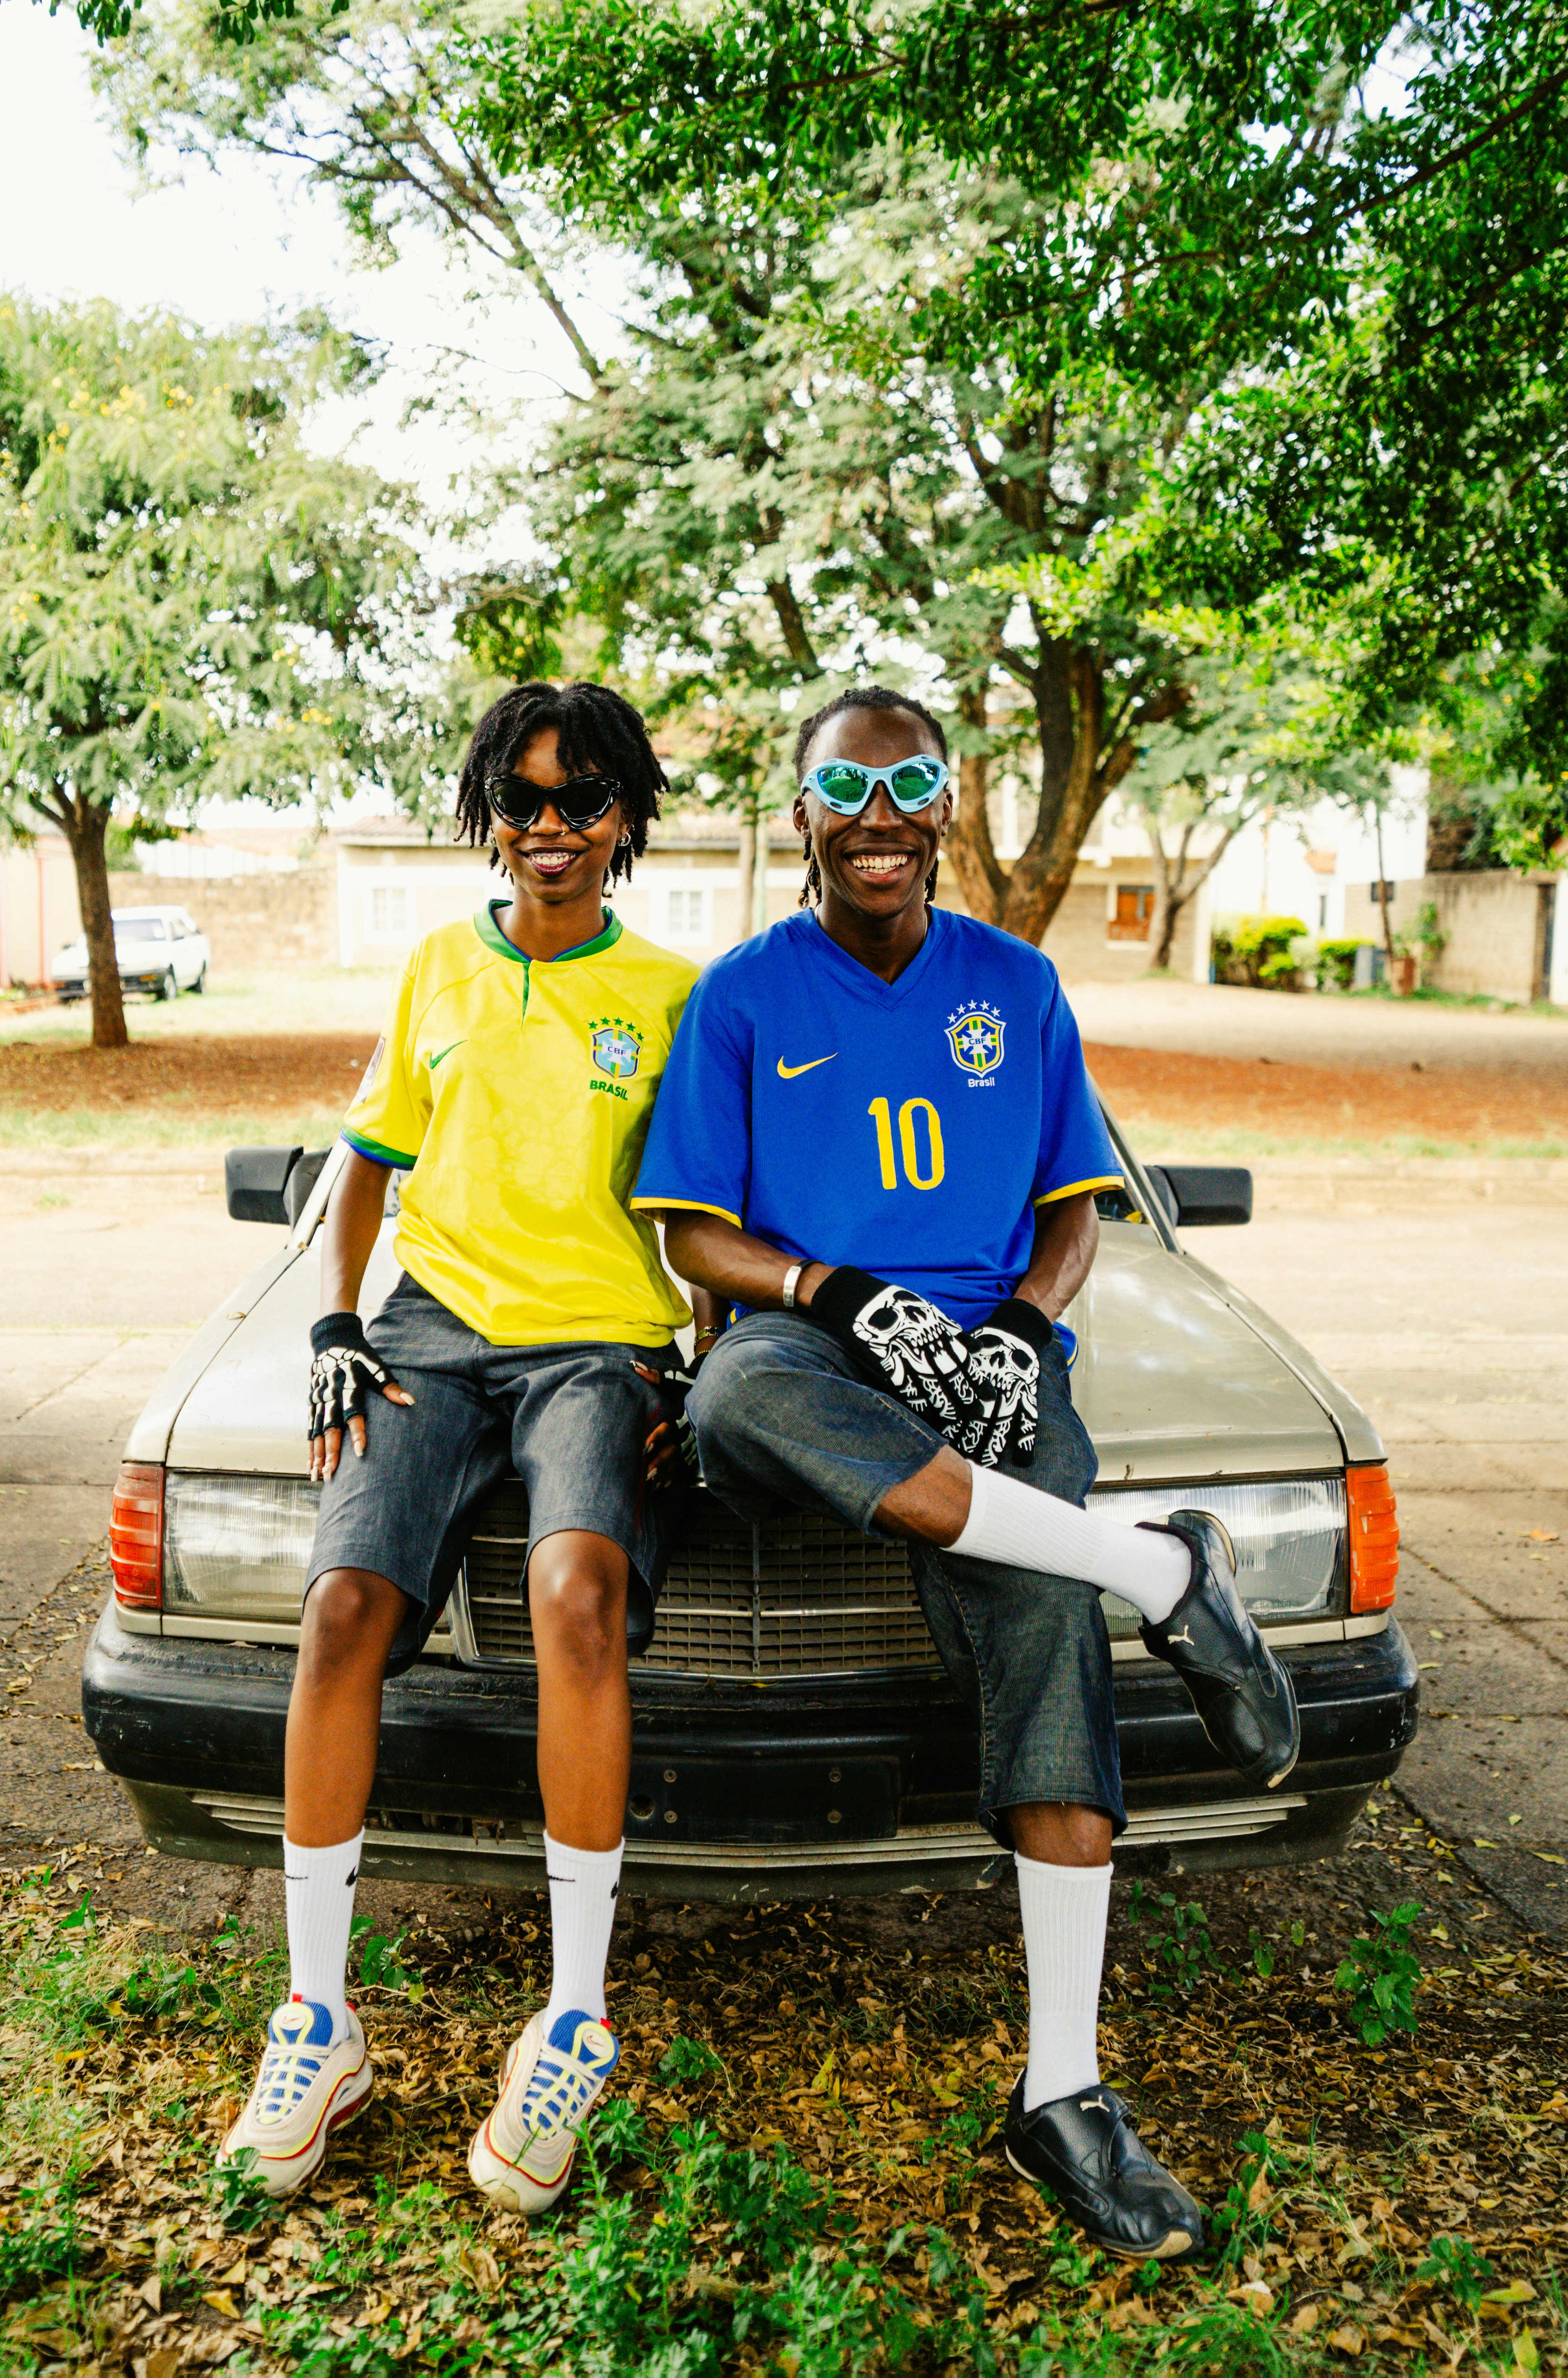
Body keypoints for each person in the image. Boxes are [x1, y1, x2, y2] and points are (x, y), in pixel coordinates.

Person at [632, 686, 1299, 2262]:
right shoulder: (740, 995)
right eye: (844, 787)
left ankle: (1060, 2091)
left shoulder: (1018, 983)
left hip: (989, 1350)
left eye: (909, 781)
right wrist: (832, 1290)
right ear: (799, 810)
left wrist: (1017, 1327)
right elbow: (692, 1235)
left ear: (946, 803)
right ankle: (1159, 1569)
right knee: (733, 1397)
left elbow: (1076, 1205)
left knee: (1040, 1620)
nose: (878, 815)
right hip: (813, 1345)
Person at [218, 681, 709, 2215]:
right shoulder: (438, 963)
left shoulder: (675, 991)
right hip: (431, 1329)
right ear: (487, 816)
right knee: (340, 1608)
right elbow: (366, 1164)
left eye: (581, 799)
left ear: (624, 819)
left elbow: (706, 1207)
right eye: (521, 799)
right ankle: (318, 2020)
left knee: (576, 1593)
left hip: (599, 1342)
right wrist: (335, 1323)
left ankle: (572, 2021)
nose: (549, 826)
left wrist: (702, 1367)